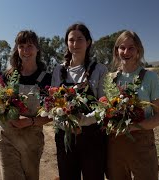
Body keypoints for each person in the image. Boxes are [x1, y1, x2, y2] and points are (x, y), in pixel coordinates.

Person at [51, 23, 108, 180]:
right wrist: (62, 119)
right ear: (67, 43)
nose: (75, 44)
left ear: (88, 42)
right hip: (65, 138)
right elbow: (53, 102)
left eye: (79, 39)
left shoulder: (99, 70)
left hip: (92, 137)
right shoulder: (58, 70)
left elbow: (104, 104)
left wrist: (84, 120)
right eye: (71, 40)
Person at [106, 30, 159, 180]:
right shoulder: (109, 80)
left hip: (142, 144)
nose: (126, 52)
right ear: (116, 50)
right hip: (115, 144)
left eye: (131, 47)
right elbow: (105, 112)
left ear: (138, 50)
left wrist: (131, 127)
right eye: (122, 47)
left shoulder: (151, 77)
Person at [0, 30, 52, 180]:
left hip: (31, 141)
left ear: (37, 49)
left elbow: (51, 114)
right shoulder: (6, 76)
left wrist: (29, 121)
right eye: (21, 46)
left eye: (30, 46)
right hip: (6, 137)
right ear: (16, 49)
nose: (25, 50)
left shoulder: (47, 79)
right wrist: (4, 112)